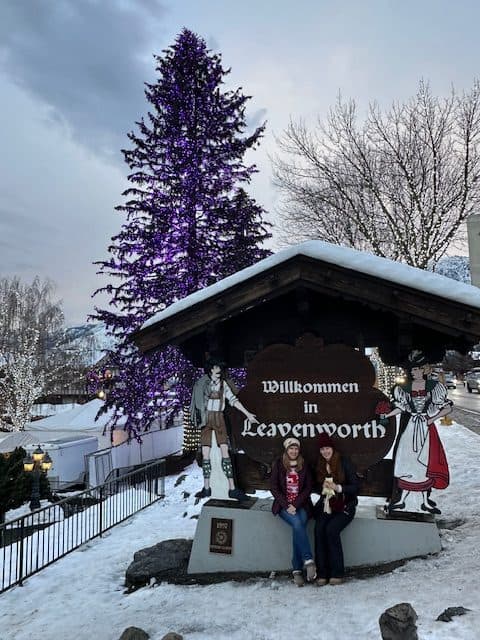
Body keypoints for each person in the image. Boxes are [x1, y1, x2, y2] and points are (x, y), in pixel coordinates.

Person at [382, 350, 451, 514]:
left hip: (425, 428)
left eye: (416, 369)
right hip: (412, 426)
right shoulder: (404, 388)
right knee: (407, 460)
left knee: (424, 461)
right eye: (412, 370)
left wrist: (431, 419)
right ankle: (403, 500)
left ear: (424, 370)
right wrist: (386, 414)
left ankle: (424, 501)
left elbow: (446, 407)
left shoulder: (434, 387)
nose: (413, 372)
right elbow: (401, 407)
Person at [190, 358, 258, 501]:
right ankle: (207, 487)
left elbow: (233, 400)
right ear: (211, 369)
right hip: (206, 418)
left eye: (219, 368)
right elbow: (197, 403)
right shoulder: (202, 384)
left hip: (219, 418)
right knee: (206, 453)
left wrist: (247, 414)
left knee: (224, 452)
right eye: (216, 367)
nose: (219, 370)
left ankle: (232, 488)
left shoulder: (223, 385)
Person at [270, 437, 316, 587]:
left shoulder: (304, 464)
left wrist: (295, 504)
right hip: (283, 506)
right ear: (286, 449)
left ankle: (297, 570)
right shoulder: (279, 464)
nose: (294, 451)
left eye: (296, 448)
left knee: (299, 525)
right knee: (297, 523)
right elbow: (274, 488)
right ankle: (308, 561)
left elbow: (308, 487)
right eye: (291, 448)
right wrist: (287, 504)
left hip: (301, 505)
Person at [313, 433, 358, 586]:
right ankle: (322, 573)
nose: (325, 451)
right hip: (327, 505)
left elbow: (355, 487)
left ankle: (337, 572)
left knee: (331, 530)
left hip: (345, 506)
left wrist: (338, 487)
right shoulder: (319, 464)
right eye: (322, 449)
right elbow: (315, 486)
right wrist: (322, 487)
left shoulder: (344, 463)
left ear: (332, 448)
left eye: (327, 448)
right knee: (319, 529)